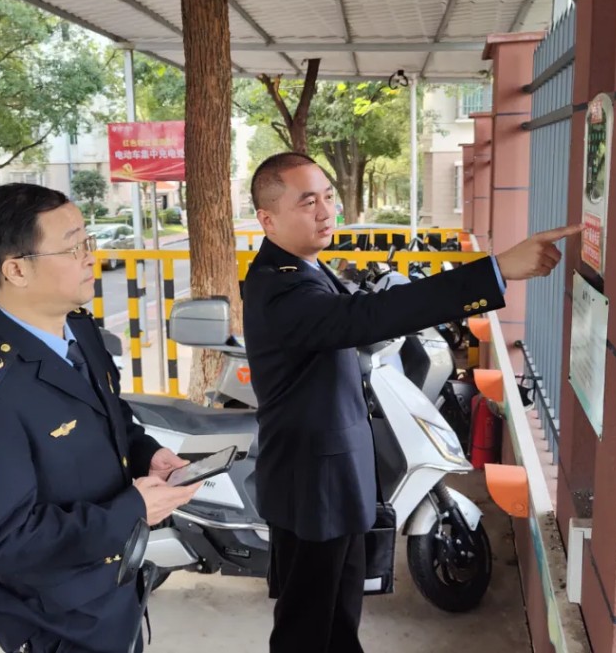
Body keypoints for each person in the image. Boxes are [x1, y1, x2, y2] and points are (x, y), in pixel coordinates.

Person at [242, 152, 580, 653]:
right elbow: (367, 316)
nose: (325, 211)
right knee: (306, 628)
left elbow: (362, 307)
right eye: (307, 201)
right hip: (310, 486)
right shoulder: (279, 286)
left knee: (338, 621)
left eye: (329, 197)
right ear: (268, 219)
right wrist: (497, 270)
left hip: (334, 478)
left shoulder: (309, 268)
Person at [0, 183, 200, 653]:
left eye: (88, 242)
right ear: (16, 269)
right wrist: (131, 511)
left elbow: (111, 417)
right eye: (73, 247)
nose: (90, 257)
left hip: (117, 588)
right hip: (58, 622)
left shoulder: (77, 328)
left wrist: (146, 454)